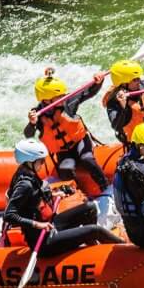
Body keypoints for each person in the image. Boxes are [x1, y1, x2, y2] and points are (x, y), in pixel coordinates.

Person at [4, 138, 123, 256]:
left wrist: (53, 194)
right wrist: (38, 224)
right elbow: (9, 215)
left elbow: (35, 196)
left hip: (51, 224)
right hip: (43, 240)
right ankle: (126, 250)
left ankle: (89, 246)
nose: (42, 163)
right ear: (30, 161)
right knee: (95, 230)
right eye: (41, 161)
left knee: (90, 207)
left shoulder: (28, 173)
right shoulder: (25, 184)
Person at [24, 68, 111, 196]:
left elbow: (86, 93)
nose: (62, 97)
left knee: (87, 159)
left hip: (80, 142)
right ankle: (78, 196)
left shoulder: (68, 103)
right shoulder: (38, 114)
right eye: (58, 96)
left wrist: (98, 82)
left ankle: (106, 188)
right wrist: (32, 123)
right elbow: (28, 134)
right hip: (63, 152)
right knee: (65, 169)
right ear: (46, 100)